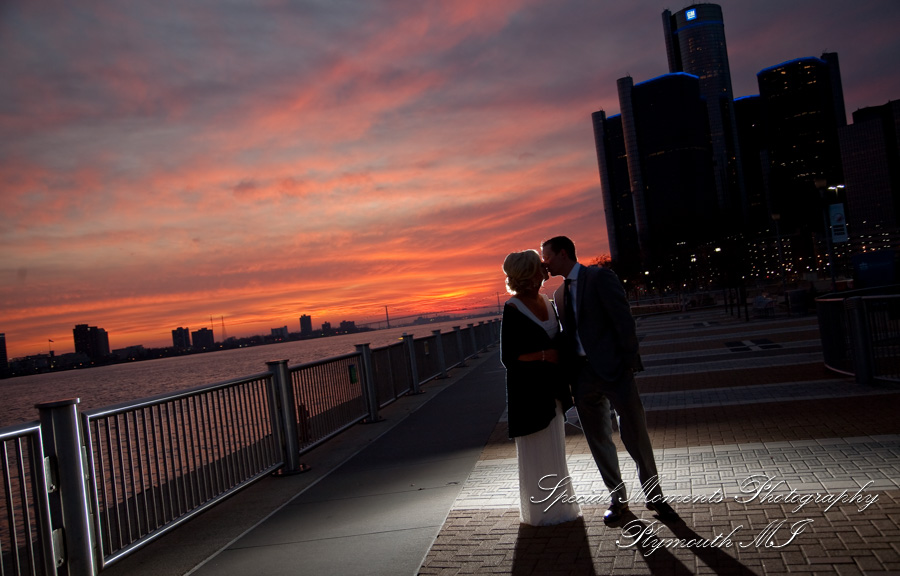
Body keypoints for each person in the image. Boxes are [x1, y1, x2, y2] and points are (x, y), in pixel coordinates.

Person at [540, 236, 679, 525]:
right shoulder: (559, 295)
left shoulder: (600, 277)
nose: (545, 262)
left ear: (563, 253)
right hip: (583, 376)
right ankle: (618, 500)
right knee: (598, 440)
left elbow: (623, 320)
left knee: (635, 435)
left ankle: (655, 496)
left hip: (615, 372)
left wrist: (629, 363)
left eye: (547, 257)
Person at [500, 249, 582, 526]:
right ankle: (543, 512)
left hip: (553, 389)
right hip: (530, 393)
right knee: (537, 450)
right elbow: (509, 357)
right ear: (530, 273)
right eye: (540, 267)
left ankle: (562, 506)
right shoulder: (512, 308)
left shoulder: (547, 301)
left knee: (555, 445)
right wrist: (546, 356)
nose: (545, 270)